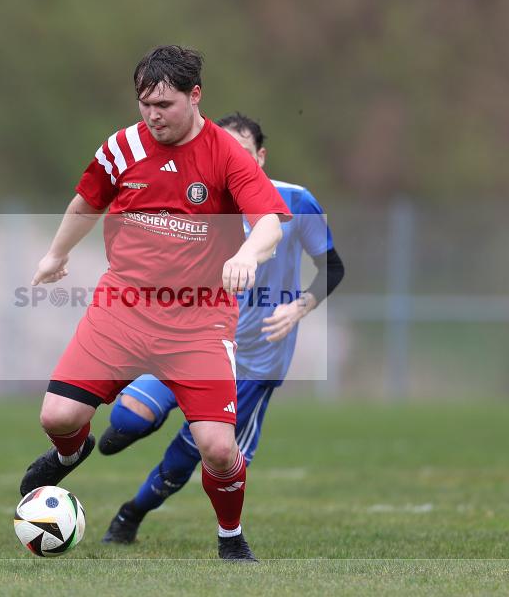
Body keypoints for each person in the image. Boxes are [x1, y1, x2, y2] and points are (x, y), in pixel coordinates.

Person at [19, 46, 293, 562]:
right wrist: (56, 255)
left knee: (217, 448)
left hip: (199, 319)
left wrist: (248, 253)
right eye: (144, 103)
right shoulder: (122, 147)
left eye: (164, 104)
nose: (152, 115)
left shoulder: (226, 154)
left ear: (195, 96)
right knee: (56, 415)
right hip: (122, 308)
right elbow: (87, 202)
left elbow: (271, 224)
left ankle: (231, 538)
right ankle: (71, 452)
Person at [98, 113, 344, 545]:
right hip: (194, 339)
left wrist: (299, 308)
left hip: (252, 363)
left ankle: (130, 515)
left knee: (192, 453)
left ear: (260, 158)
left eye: (243, 154)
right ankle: (130, 427)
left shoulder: (296, 201)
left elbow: (333, 267)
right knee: (127, 418)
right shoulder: (193, 199)